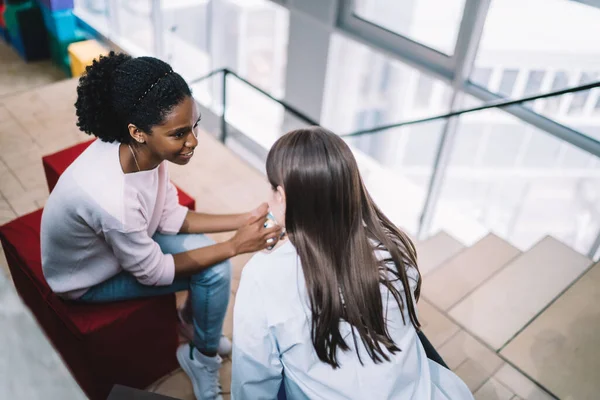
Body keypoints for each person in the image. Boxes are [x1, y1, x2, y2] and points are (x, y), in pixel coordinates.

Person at [40, 52, 281, 400]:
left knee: (212, 265)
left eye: (194, 125)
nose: (193, 141)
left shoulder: (145, 152)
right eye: (180, 133)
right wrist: (235, 245)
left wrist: (244, 219)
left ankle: (196, 328)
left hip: (123, 244)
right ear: (138, 132)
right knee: (216, 269)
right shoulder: (111, 199)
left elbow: (170, 217)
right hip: (85, 279)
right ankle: (203, 356)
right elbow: (153, 273)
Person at [231, 127, 473, 399]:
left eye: (272, 188)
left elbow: (252, 383)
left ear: (283, 196)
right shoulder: (393, 247)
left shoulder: (263, 276)